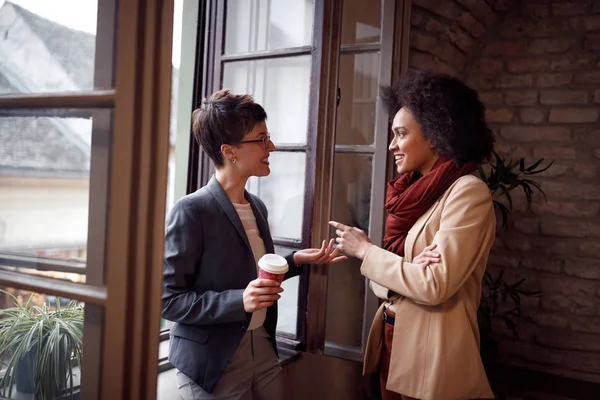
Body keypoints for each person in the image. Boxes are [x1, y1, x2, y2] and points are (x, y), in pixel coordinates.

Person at [162, 89, 346, 400]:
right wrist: (238, 301)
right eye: (261, 139)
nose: (271, 147)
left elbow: (256, 276)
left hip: (261, 346)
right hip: (214, 361)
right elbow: (168, 300)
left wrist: (296, 260)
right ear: (229, 150)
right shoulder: (192, 210)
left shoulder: (256, 206)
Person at [330, 70, 496, 400]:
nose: (391, 145)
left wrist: (366, 251)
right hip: (392, 342)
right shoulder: (414, 194)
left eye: (401, 134)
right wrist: (408, 267)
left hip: (431, 355)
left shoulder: (467, 193)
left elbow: (433, 285)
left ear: (435, 135)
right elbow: (389, 285)